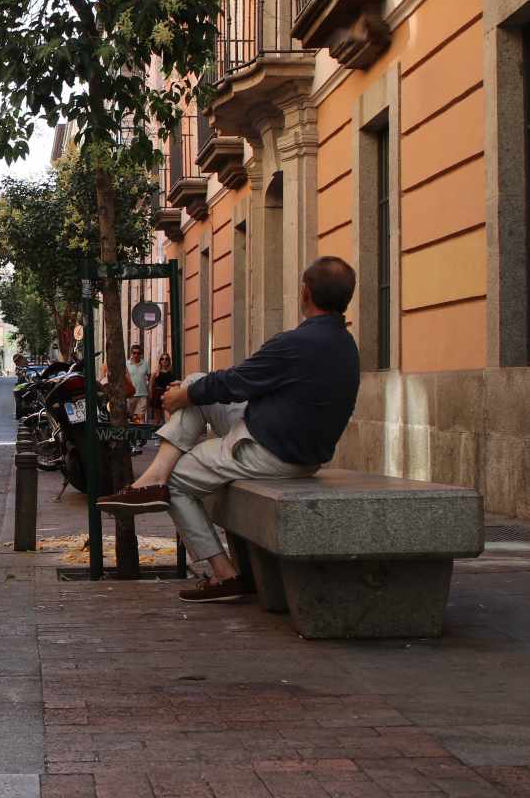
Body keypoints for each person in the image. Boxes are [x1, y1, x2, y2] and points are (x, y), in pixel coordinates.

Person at [96, 257, 361, 604]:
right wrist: (190, 391)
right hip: (295, 447)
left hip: (271, 452)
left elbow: (238, 381)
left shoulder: (297, 343)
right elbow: (241, 384)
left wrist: (183, 396)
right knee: (195, 382)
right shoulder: (346, 346)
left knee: (176, 480)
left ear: (305, 293)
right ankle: (151, 480)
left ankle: (223, 573)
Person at [125, 343, 152, 423]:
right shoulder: (126, 364)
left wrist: (149, 389)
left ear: (141, 354)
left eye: (138, 353)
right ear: (131, 353)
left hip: (142, 394)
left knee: (140, 417)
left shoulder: (145, 364)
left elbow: (149, 377)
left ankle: (141, 435)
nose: (136, 355)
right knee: (131, 417)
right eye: (134, 353)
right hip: (130, 395)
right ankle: (132, 434)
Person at [150, 352, 178, 424]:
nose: (164, 360)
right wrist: (150, 396)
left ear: (169, 361)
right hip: (157, 395)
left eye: (166, 359)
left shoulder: (171, 373)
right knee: (157, 419)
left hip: (167, 394)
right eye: (162, 359)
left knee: (168, 417)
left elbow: (174, 385)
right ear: (160, 361)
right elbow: (151, 385)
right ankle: (155, 433)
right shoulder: (156, 373)